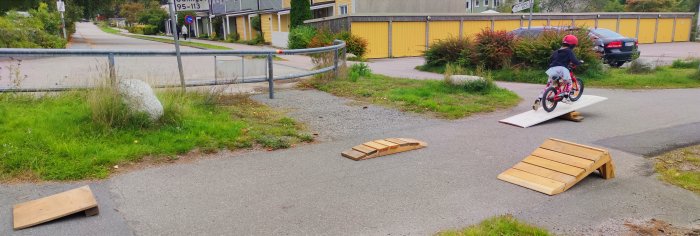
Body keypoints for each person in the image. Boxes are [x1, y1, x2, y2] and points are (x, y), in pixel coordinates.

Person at [532, 34, 582, 110]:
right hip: (562, 69)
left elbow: (551, 60)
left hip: (552, 69)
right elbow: (574, 61)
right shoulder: (569, 51)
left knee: (549, 85)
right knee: (569, 82)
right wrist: (579, 62)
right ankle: (565, 97)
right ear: (572, 45)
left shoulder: (556, 52)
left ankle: (539, 99)